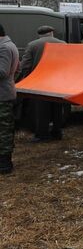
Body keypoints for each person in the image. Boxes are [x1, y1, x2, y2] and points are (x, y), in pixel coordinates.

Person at [19, 26, 65, 142]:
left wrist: (25, 79)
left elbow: (25, 65)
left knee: (41, 109)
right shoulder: (63, 44)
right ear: (52, 32)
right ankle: (57, 132)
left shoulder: (32, 45)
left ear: (39, 34)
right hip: (59, 81)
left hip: (40, 81)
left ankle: (42, 134)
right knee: (57, 107)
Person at [0, 22, 19, 174]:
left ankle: (5, 164)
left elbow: (2, 72)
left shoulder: (4, 48)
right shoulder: (8, 45)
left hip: (3, 95)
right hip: (5, 92)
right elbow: (17, 68)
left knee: (3, 130)